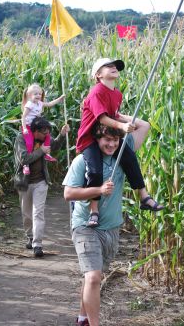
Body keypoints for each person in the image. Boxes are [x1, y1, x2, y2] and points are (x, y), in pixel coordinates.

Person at [76, 57, 163, 227]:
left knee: (130, 159)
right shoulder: (96, 92)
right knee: (95, 172)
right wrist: (121, 126)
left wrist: (125, 121)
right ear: (98, 75)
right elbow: (101, 117)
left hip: (106, 136)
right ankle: (94, 209)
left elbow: (113, 114)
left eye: (115, 66)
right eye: (108, 66)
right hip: (90, 139)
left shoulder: (117, 93)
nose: (113, 67)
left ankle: (144, 196)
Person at [63, 124, 134, 326]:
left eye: (115, 140)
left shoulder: (122, 158)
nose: (111, 144)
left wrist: (117, 120)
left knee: (92, 277)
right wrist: (99, 190)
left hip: (111, 227)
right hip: (85, 225)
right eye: (106, 140)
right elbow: (68, 194)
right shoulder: (82, 160)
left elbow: (143, 126)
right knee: (94, 277)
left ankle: (82, 319)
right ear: (97, 139)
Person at [14, 116, 69, 257]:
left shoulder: (44, 139)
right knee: (26, 214)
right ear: (35, 131)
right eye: (44, 132)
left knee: (38, 212)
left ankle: (37, 244)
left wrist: (62, 134)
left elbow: (54, 146)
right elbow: (24, 158)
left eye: (48, 132)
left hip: (40, 182)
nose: (46, 135)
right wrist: (41, 151)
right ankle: (30, 236)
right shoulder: (22, 139)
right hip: (24, 182)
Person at [21, 83, 65, 175]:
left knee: (47, 135)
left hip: (37, 126)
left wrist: (59, 99)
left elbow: (49, 104)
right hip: (28, 126)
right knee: (29, 143)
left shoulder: (40, 103)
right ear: (29, 95)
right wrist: (24, 128)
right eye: (35, 94)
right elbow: (23, 117)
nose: (38, 96)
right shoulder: (29, 105)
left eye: (40, 94)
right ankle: (26, 165)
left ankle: (47, 154)